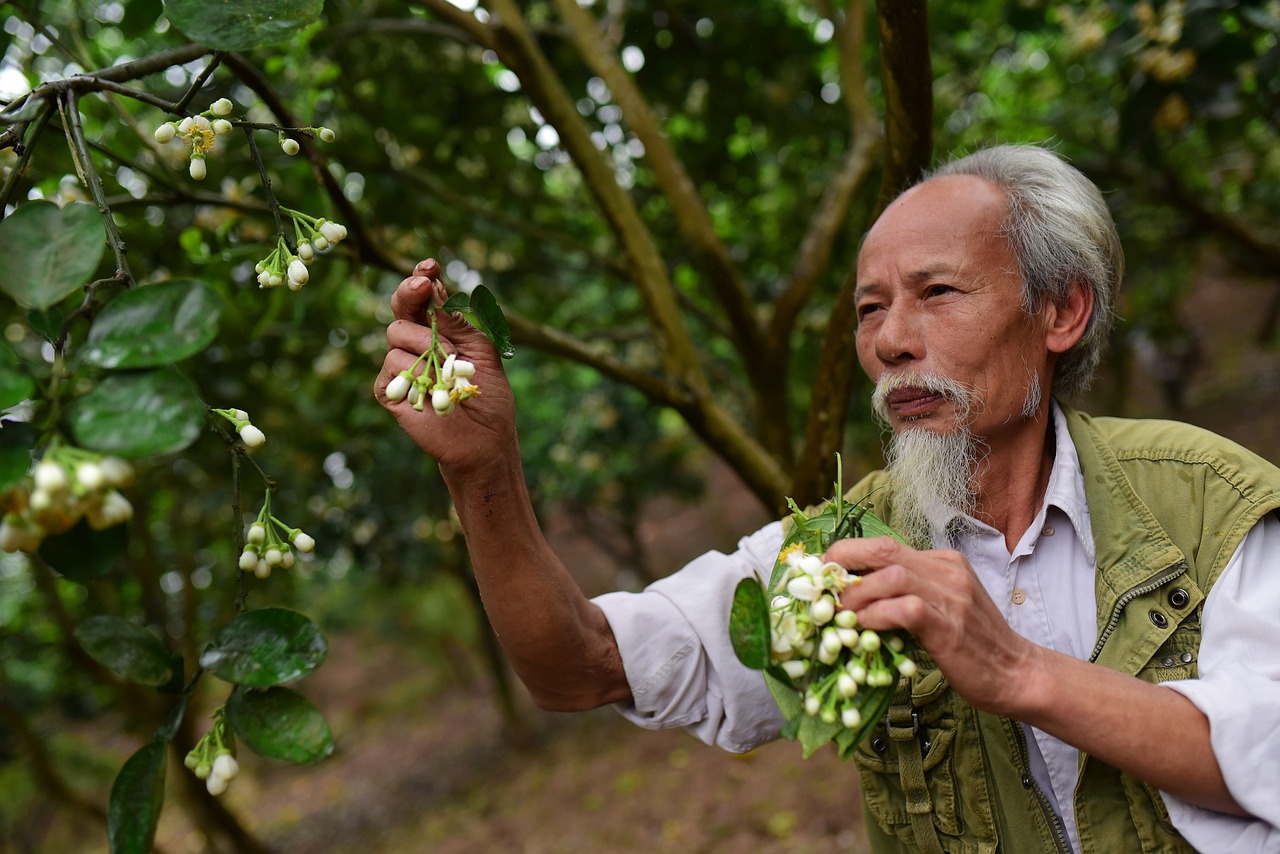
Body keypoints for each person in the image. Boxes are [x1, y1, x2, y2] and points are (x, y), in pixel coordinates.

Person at [375, 144, 1280, 853]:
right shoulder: (835, 556)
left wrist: (1015, 672)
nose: (891, 341)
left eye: (937, 293)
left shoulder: (1203, 499)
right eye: (867, 309)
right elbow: (578, 666)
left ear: (1061, 313)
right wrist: (481, 469)